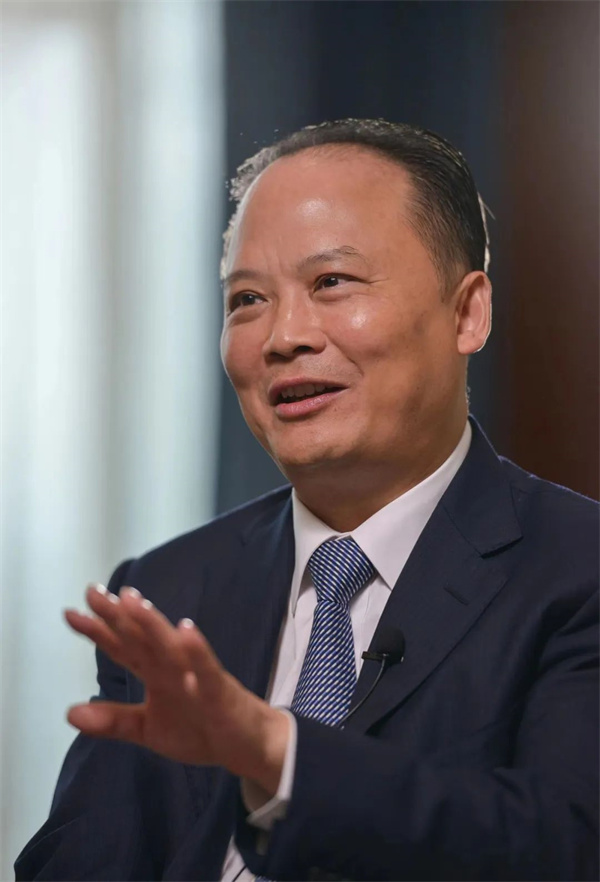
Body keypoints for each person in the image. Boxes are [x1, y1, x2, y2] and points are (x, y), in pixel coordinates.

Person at [15, 119, 598, 882]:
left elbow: (560, 848)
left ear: (467, 314)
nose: (283, 336)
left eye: (331, 283)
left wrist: (276, 754)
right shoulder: (169, 590)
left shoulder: (577, 571)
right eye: (248, 299)